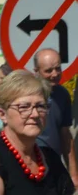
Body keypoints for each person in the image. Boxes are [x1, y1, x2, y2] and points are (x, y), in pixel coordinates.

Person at [33, 48, 78, 187]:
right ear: (36, 71)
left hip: (53, 167)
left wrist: (73, 174)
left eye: (58, 68)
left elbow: (65, 135)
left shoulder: (62, 94)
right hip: (28, 165)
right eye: (48, 71)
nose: (55, 74)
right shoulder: (26, 93)